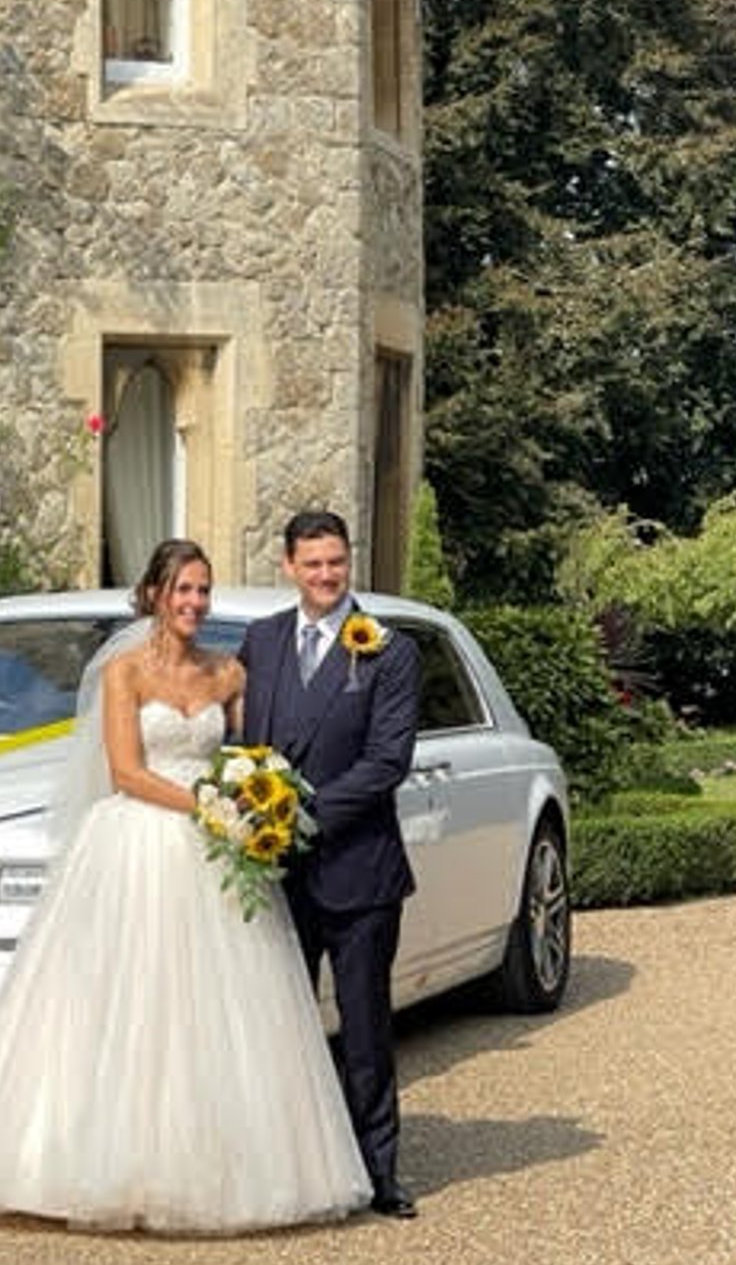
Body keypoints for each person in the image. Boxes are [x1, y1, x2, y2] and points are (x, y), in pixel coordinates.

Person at [0, 539, 366, 1233]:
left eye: (202, 591)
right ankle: (93, 1165)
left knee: (216, 1011)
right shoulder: (124, 674)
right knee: (125, 1002)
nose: (193, 603)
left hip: (215, 857)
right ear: (156, 595)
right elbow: (127, 770)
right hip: (136, 843)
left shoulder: (228, 675)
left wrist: (254, 800)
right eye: (182, 590)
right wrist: (209, 808)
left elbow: (249, 756)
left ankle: (222, 1168)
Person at [240, 509, 423, 1219]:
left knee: (366, 1028)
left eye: (336, 563)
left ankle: (379, 1172)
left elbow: (387, 762)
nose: (325, 576)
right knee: (277, 1026)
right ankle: (287, 1167)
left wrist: (299, 816)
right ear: (288, 566)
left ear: (350, 562)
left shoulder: (388, 650)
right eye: (312, 564)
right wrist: (246, 816)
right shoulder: (260, 642)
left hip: (359, 873)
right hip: (275, 876)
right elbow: (244, 745)